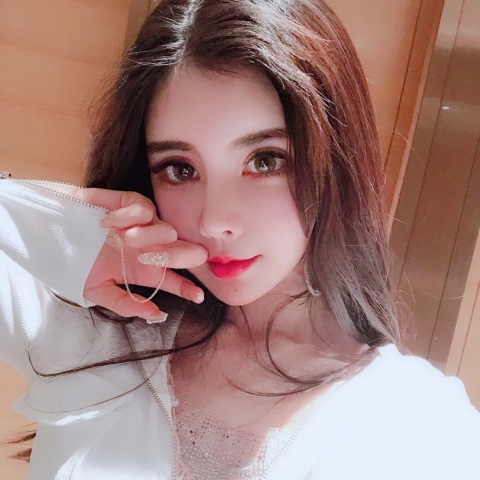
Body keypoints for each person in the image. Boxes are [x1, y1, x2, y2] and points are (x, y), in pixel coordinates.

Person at [1, 0, 479, 479]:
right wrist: (55, 228)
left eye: (265, 161)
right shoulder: (95, 326)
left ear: (334, 160)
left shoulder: (419, 428)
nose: (214, 221)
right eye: (179, 169)